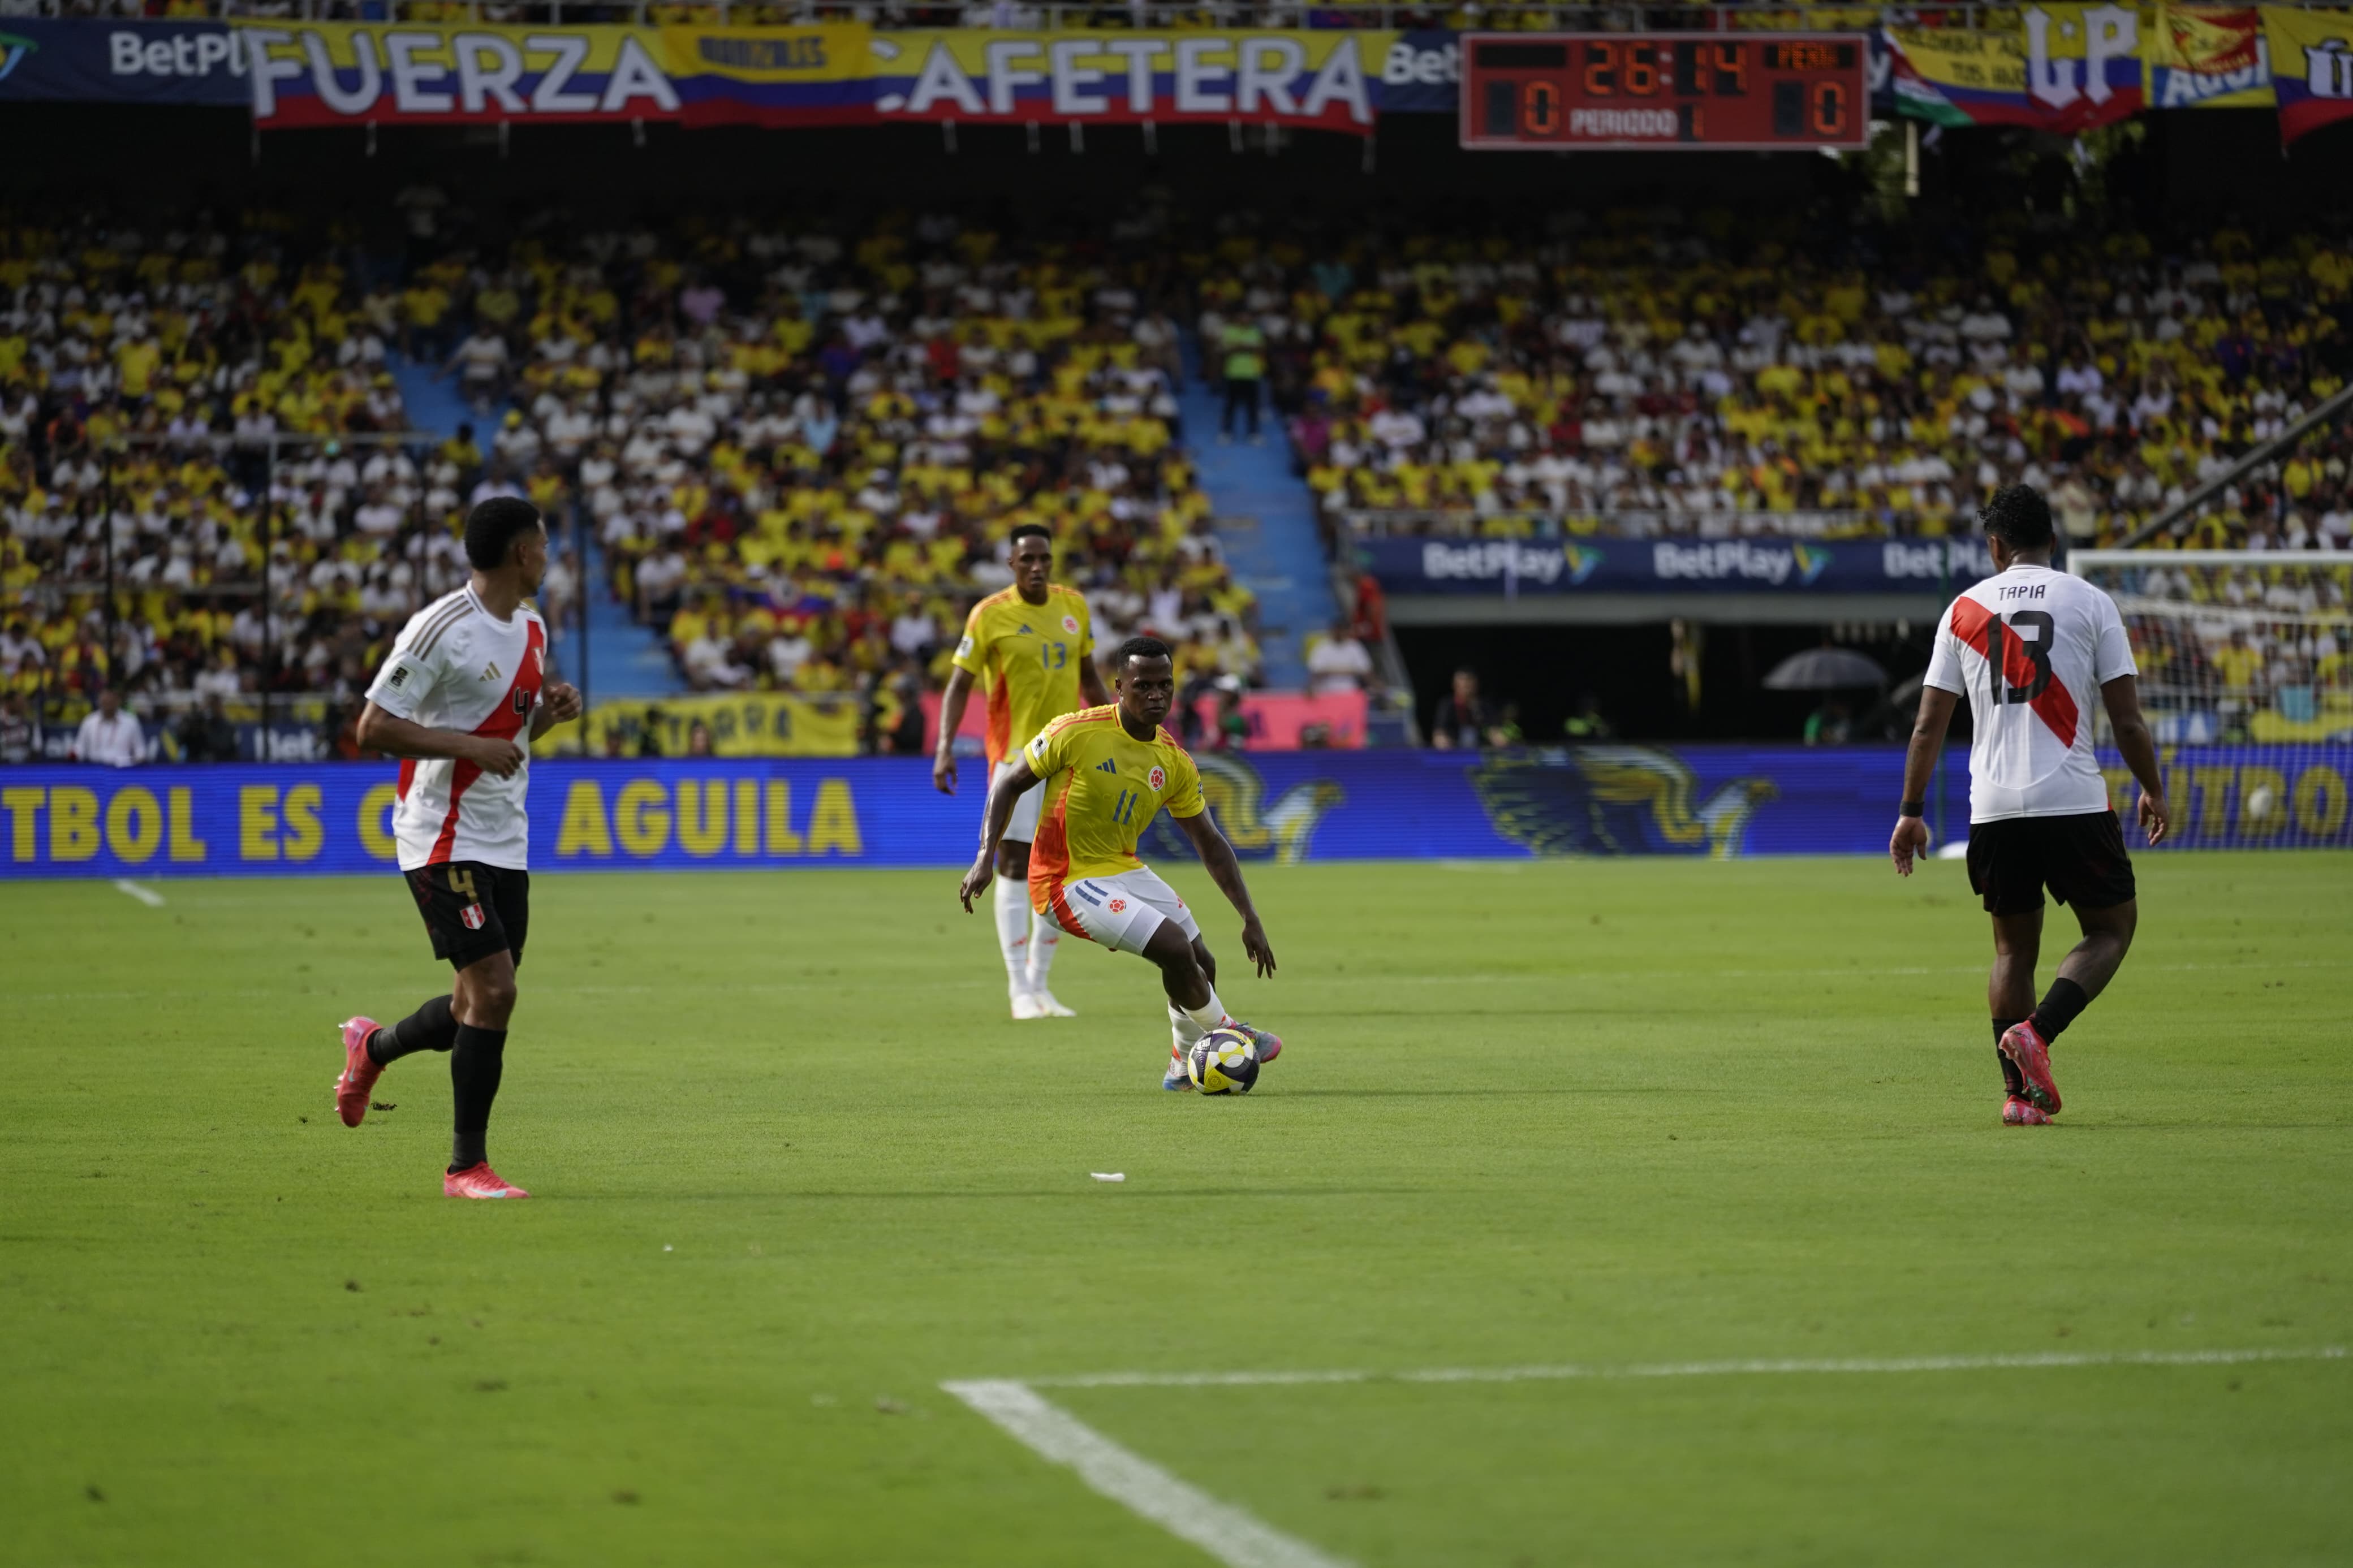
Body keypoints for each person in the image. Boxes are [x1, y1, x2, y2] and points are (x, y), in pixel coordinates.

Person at [1891, 485, 2169, 1126]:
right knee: (2109, 929)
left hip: (1991, 807)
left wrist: (1910, 809)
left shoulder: (1962, 608)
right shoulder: (2090, 600)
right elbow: (2127, 722)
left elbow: (1927, 726)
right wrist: (2152, 787)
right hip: (2070, 796)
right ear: (2054, 539)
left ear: (1994, 546)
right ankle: (2037, 1032)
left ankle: (2019, 1096)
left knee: (2011, 952)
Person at [333, 497, 584, 1199]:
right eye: (541, 544)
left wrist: (549, 718)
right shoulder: (441, 626)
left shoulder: (531, 627)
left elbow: (511, 737)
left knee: (471, 1006)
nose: (548, 556)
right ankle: (464, 1167)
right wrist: (468, 745)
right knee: (497, 992)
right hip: (439, 835)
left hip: (506, 837)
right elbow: (373, 727)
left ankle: (371, 1047)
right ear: (520, 554)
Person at [958, 636, 1282, 1092]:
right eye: (1142, 685)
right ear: (1118, 687)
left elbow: (1209, 841)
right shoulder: (1076, 731)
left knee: (1201, 961)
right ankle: (1230, 1030)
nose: (1155, 695)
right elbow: (1007, 784)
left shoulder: (1173, 760)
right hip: (1062, 879)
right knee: (1173, 946)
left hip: (1120, 868)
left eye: (1164, 685)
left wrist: (1249, 915)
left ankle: (1181, 1063)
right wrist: (984, 857)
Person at [933, 522, 1110, 1021]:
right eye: (1026, 559)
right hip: (1016, 757)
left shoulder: (1074, 606)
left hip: (1068, 754)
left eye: (1044, 559)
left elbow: (1089, 679)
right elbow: (959, 684)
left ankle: (1039, 985)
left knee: (1060, 867)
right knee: (1012, 864)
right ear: (1011, 564)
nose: (1036, 567)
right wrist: (945, 747)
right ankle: (1017, 989)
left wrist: (1117, 730)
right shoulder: (989, 615)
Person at [70, 688, 145, 767]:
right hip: (95, 770)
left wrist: (136, 762)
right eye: (105, 702)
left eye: (111, 701)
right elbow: (80, 748)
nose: (108, 705)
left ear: (118, 701)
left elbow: (140, 751)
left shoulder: (130, 722)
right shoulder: (89, 721)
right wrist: (74, 754)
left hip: (122, 771)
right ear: (99, 701)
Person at [1219, 317, 1265, 442]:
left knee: (1253, 406)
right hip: (1233, 373)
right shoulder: (1229, 331)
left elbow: (1260, 349)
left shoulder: (1255, 331)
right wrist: (1245, 346)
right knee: (1231, 405)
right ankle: (1227, 432)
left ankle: (1254, 433)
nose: (1244, 319)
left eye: (1247, 317)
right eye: (1241, 316)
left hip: (1252, 373)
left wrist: (1239, 346)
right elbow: (1225, 350)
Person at [1428, 668, 1497, 751]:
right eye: (1462, 683)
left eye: (1469, 683)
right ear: (1454, 685)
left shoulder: (1484, 705)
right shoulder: (1447, 704)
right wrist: (1441, 739)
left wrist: (1496, 736)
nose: (1466, 686)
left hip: (1481, 750)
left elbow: (1493, 729)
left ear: (1476, 684)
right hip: (1454, 751)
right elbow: (1439, 731)